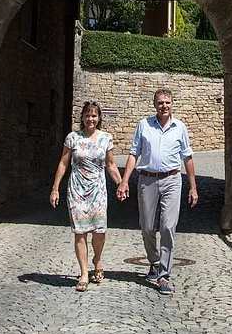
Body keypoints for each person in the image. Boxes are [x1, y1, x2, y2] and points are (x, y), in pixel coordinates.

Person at [116, 88, 198, 296]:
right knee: (147, 226)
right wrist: (124, 181)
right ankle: (153, 261)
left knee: (168, 226)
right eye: (160, 102)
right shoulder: (144, 125)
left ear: (172, 104)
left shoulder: (180, 127)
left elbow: (187, 157)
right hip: (147, 180)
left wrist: (193, 187)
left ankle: (164, 275)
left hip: (172, 179)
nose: (164, 106)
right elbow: (134, 153)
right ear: (155, 105)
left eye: (167, 102)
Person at [50, 101, 123, 292]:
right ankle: (83, 273)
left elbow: (111, 164)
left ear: (99, 118)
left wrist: (121, 183)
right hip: (77, 191)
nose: (91, 119)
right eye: (87, 115)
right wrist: (55, 188)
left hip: (98, 190)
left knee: (99, 232)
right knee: (80, 232)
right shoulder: (72, 138)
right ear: (82, 117)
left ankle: (97, 259)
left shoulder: (106, 138)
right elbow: (63, 164)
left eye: (94, 116)